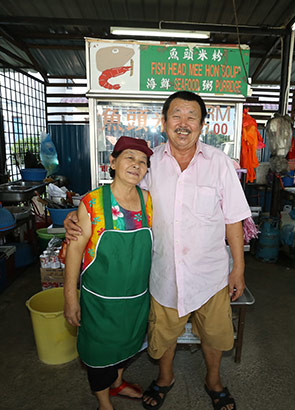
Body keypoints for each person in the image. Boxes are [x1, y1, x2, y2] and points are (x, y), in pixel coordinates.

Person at [66, 91, 251, 410]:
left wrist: (239, 268)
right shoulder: (150, 164)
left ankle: (214, 381)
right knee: (163, 335)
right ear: (164, 123)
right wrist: (79, 213)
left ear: (202, 124)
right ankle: (165, 378)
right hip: (163, 272)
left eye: (192, 116)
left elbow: (234, 219)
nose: (184, 123)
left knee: (215, 336)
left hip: (210, 274)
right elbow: (121, 195)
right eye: (176, 115)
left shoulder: (219, 163)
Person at [64, 136, 154, 410]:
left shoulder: (148, 200)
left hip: (136, 297)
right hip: (100, 300)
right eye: (129, 158)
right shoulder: (92, 203)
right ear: (112, 163)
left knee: (129, 345)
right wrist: (70, 297)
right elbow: (75, 252)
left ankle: (118, 383)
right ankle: (104, 402)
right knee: (99, 352)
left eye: (143, 162)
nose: (136, 165)